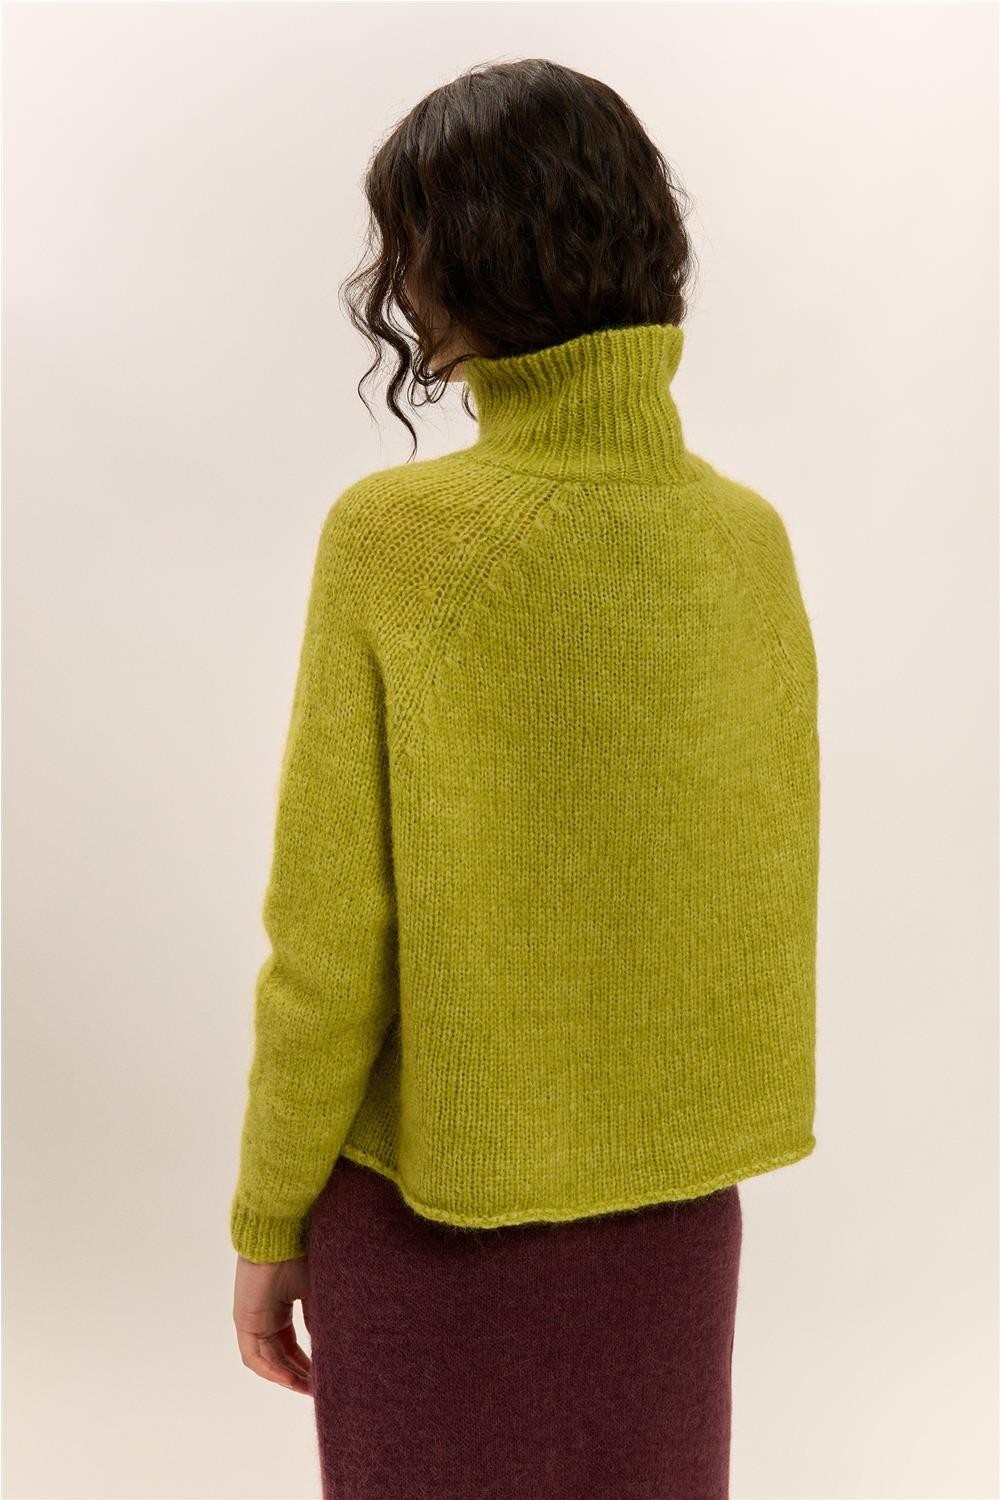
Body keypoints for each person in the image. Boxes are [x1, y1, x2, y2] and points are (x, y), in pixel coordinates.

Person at [229, 56, 820, 1500]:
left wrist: (269, 1218)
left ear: (451, 267)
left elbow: (330, 939)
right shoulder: (746, 541)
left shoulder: (397, 539)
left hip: (432, 1219)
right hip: (675, 1215)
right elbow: (750, 890)